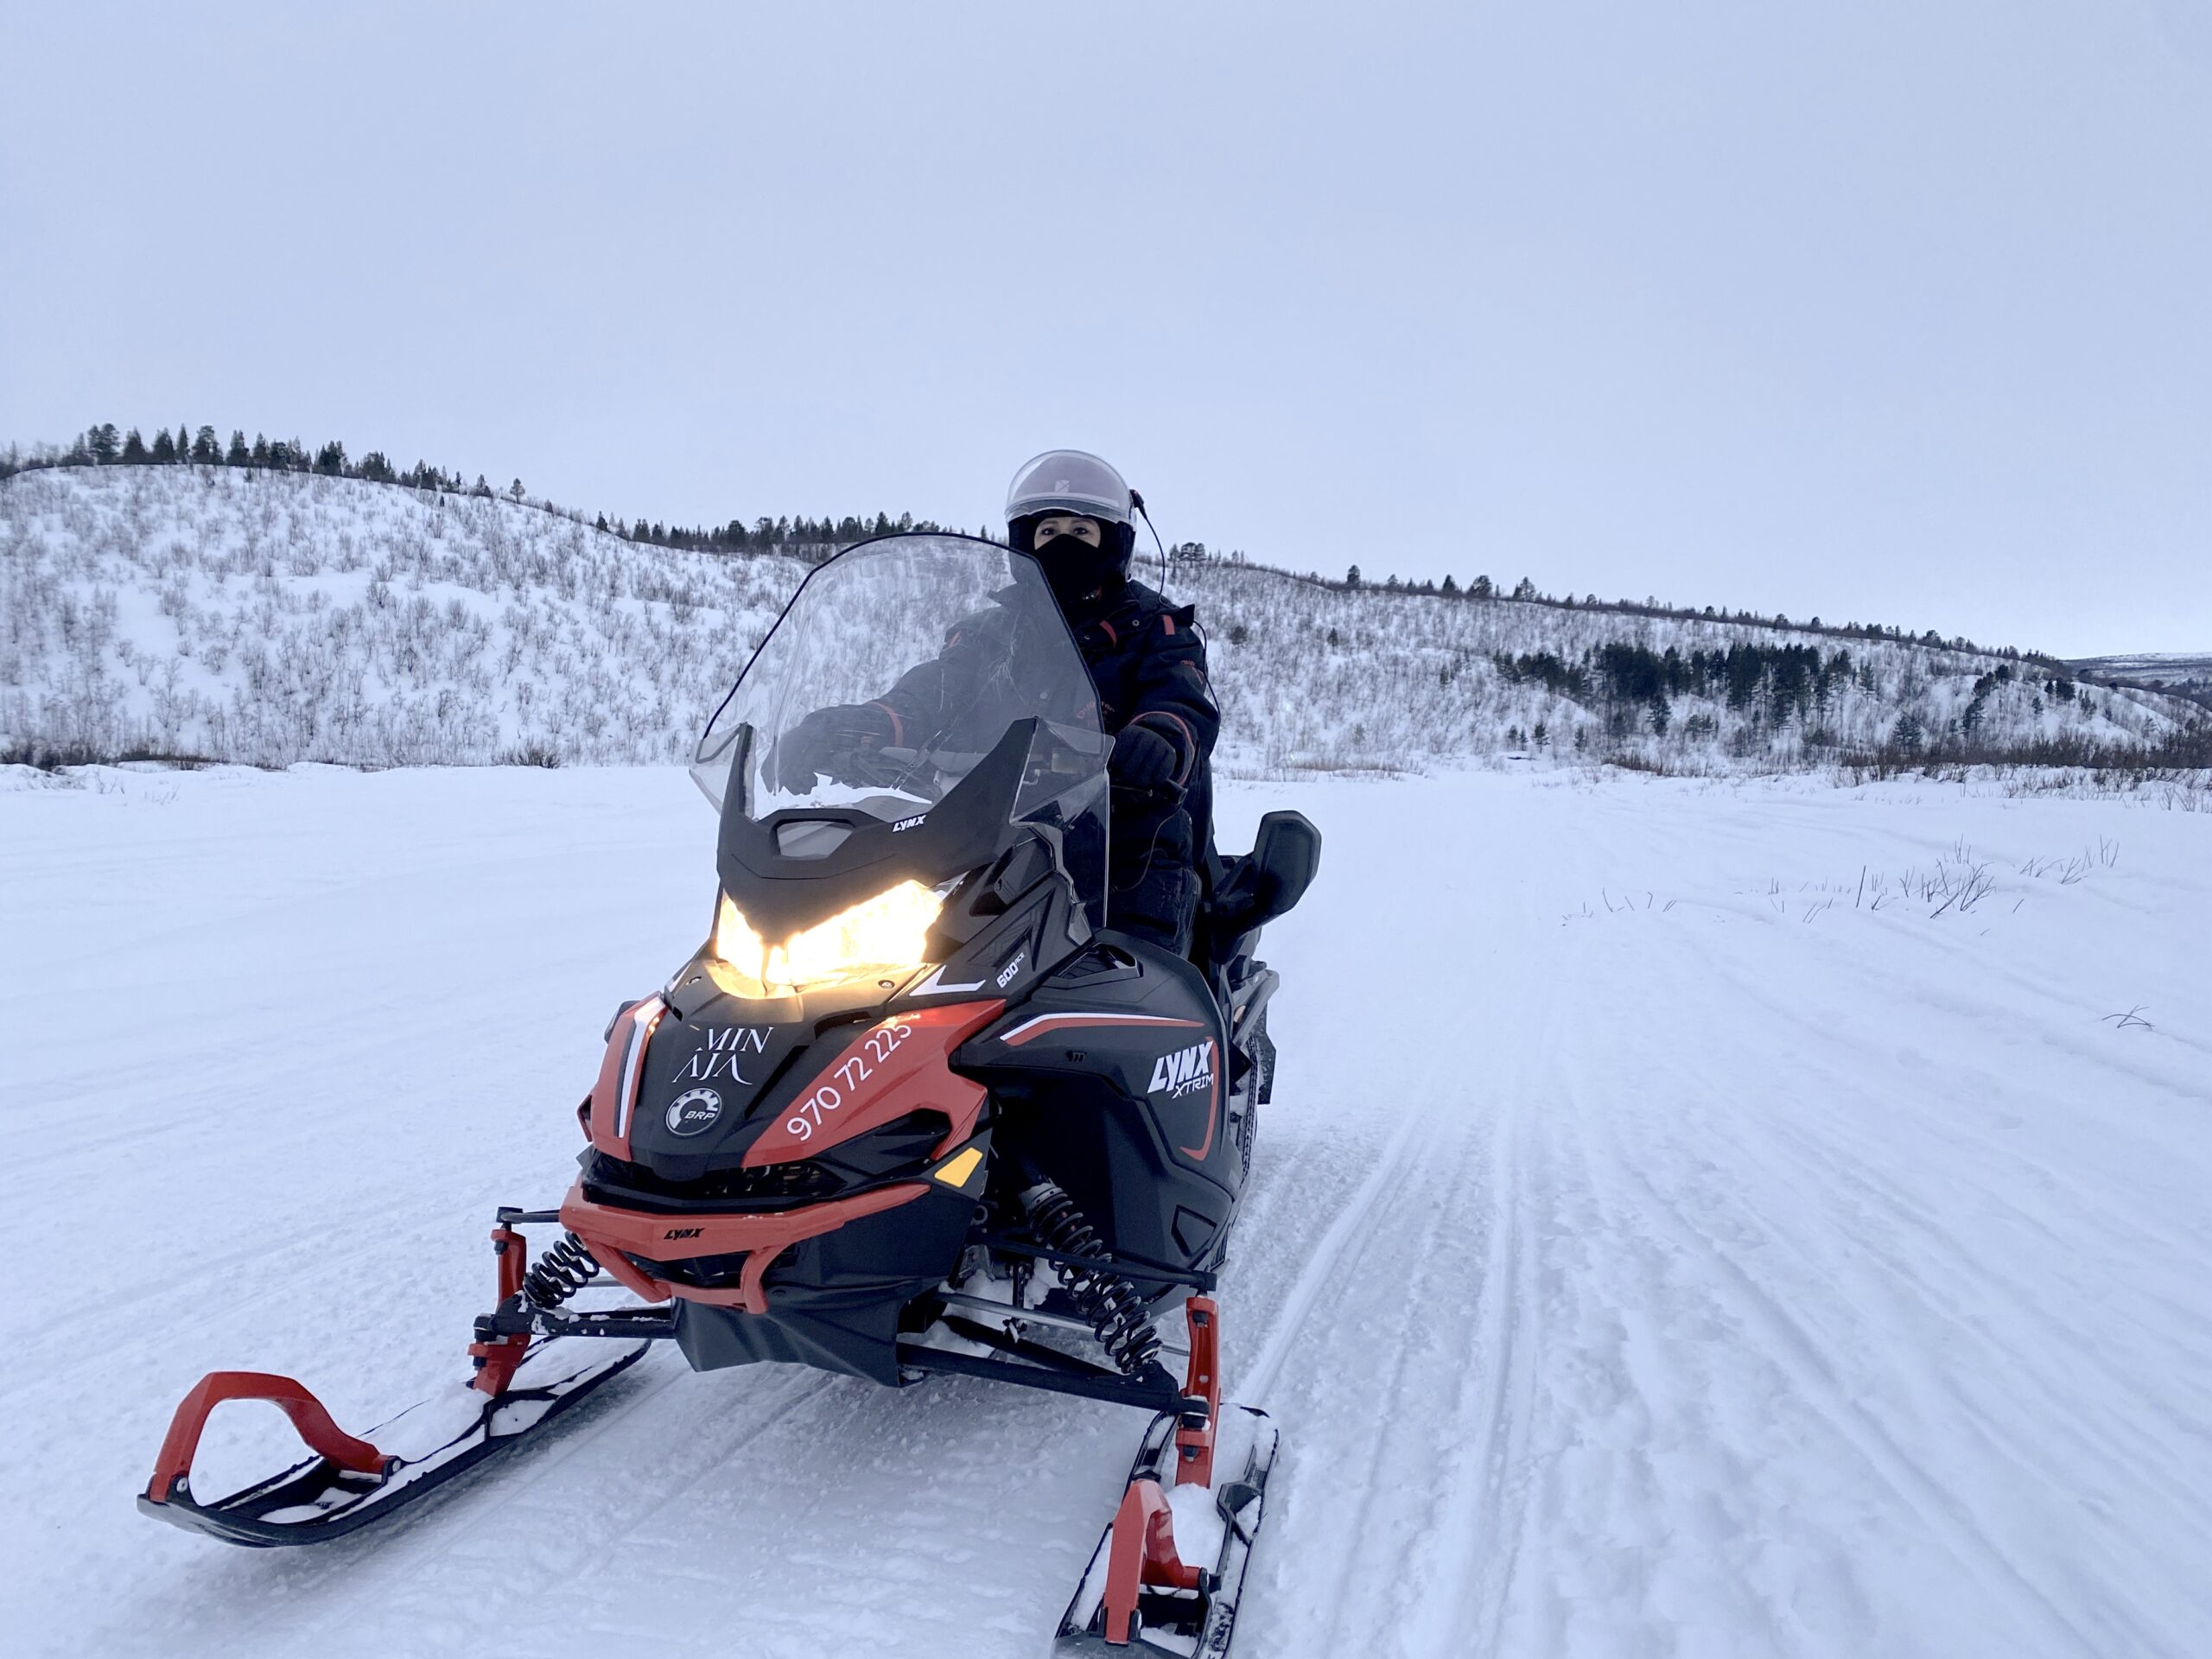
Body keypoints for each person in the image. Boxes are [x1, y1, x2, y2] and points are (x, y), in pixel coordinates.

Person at [777, 449, 1218, 953]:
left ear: (1112, 543)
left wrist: (1157, 739)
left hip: (1123, 836)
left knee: (1132, 985)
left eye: (1081, 532)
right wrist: (858, 725)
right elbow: (933, 694)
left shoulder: (1157, 629)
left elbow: (1181, 700)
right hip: (984, 832)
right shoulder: (993, 632)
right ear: (1022, 542)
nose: (1063, 545)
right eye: (1048, 533)